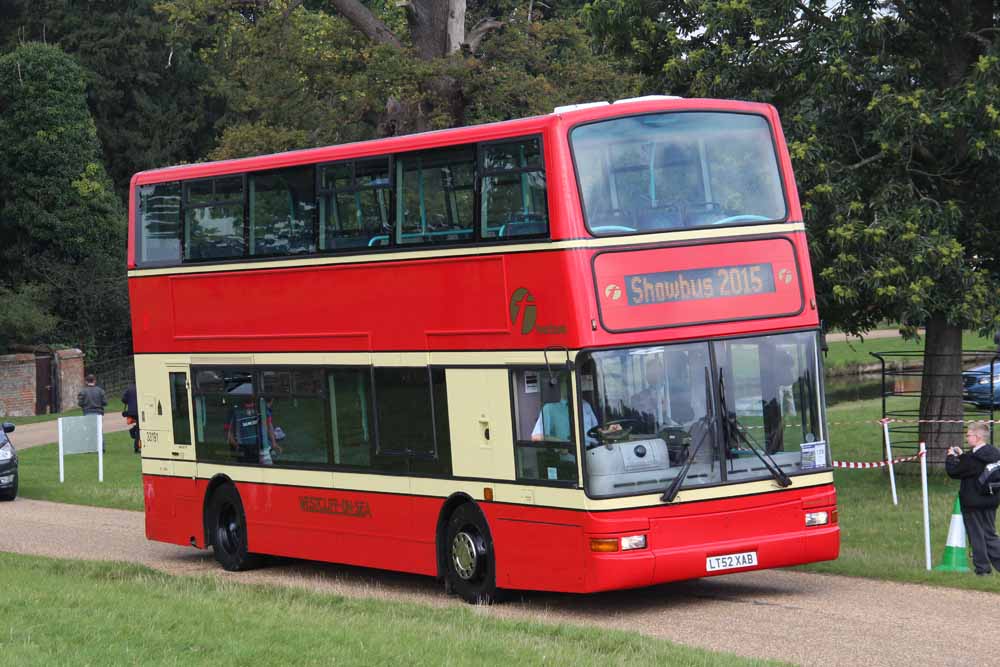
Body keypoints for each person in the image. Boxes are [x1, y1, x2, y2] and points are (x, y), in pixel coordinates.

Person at [946, 423, 1000, 575]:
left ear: (977, 437)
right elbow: (973, 466)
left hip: (973, 502)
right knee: (990, 534)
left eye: (968, 435)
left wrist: (951, 456)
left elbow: (954, 471)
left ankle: (982, 569)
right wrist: (962, 455)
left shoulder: (972, 458)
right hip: (991, 499)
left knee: (976, 536)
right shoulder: (995, 453)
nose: (967, 437)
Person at [121, 383, 141, 453]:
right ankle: (137, 447)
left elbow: (123, 399)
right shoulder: (141, 386)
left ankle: (133, 430)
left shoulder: (129, 388)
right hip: (139, 411)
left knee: (139, 427)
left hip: (131, 411)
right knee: (139, 429)